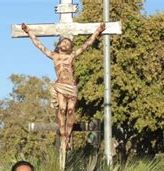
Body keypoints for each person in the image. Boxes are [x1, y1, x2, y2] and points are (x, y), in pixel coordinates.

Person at [21, 22, 106, 150]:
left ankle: (68, 137)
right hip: (60, 86)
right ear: (59, 45)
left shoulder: (71, 56)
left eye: (68, 43)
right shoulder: (54, 56)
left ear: (70, 47)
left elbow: (87, 44)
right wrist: (28, 31)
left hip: (71, 87)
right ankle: (63, 138)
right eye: (63, 42)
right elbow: (39, 45)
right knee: (61, 109)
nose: (65, 44)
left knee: (70, 110)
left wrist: (98, 31)